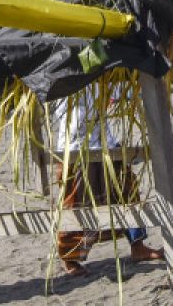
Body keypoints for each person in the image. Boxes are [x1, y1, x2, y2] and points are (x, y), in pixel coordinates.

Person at [50, 86, 164, 276]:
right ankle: (69, 258)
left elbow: (119, 90)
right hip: (75, 148)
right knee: (76, 203)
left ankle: (138, 246)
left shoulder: (100, 77)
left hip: (106, 143)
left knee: (127, 192)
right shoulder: (62, 76)